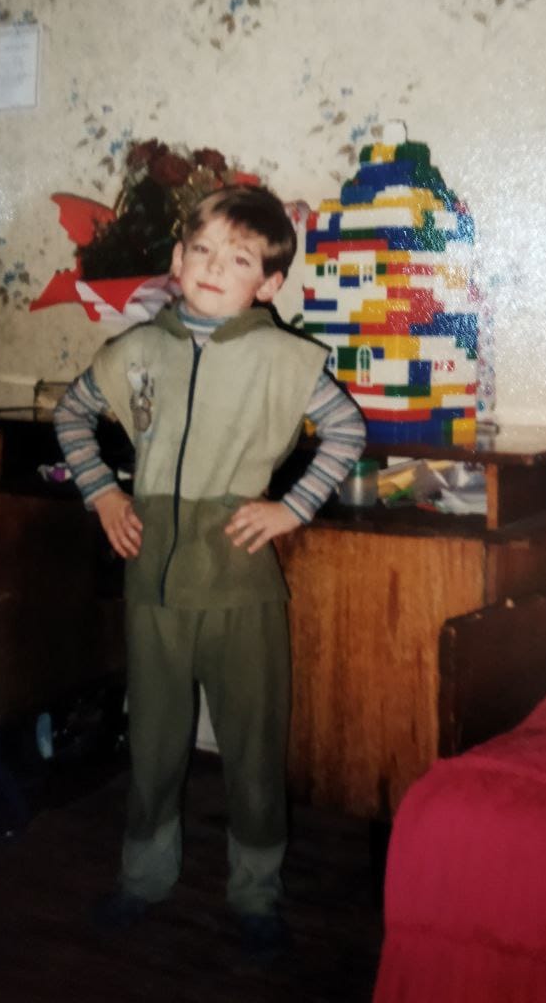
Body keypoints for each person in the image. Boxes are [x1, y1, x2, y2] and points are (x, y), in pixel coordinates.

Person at [53, 183, 366, 956]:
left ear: (269, 283)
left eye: (240, 259)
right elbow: (72, 414)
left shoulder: (283, 358)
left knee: (253, 745)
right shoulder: (138, 349)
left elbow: (346, 430)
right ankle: (142, 879)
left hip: (238, 581)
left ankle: (256, 892)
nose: (215, 267)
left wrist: (291, 510)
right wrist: (103, 495)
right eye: (202, 251)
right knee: (154, 742)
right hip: (152, 583)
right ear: (177, 259)